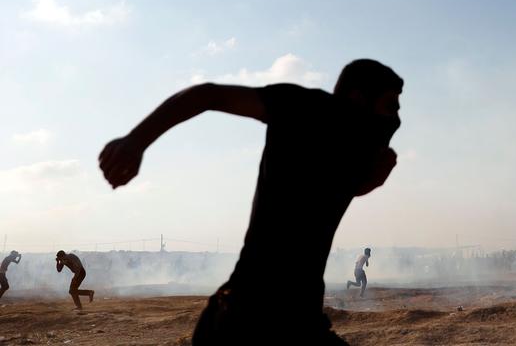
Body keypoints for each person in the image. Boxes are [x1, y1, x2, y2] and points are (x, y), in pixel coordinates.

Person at [98, 59, 403, 345]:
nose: (396, 120)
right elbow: (208, 96)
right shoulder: (304, 108)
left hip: (294, 321)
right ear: (358, 99)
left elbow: (319, 198)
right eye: (390, 106)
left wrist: (370, 181)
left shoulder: (353, 153)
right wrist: (136, 141)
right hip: (248, 319)